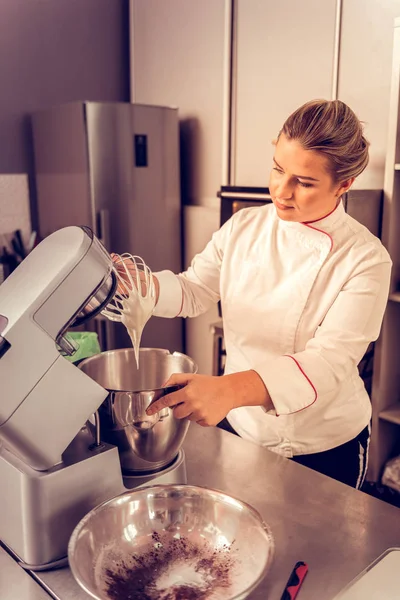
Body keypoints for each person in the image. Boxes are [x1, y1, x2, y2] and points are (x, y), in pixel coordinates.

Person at [116, 99, 392, 489]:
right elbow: (195, 289)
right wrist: (142, 283)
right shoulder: (244, 226)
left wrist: (227, 389)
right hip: (243, 425)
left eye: (305, 182)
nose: (282, 190)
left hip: (325, 444)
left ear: (344, 185)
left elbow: (329, 362)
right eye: (278, 168)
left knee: (316, 549)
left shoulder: (365, 258)